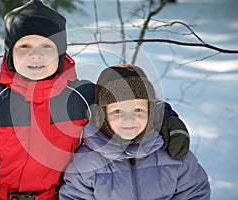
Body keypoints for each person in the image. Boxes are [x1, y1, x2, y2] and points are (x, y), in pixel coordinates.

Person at [0, 1, 189, 199]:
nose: (35, 55)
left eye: (46, 47)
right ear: (10, 54)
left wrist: (167, 119)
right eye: (24, 46)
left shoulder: (79, 97)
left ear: (61, 53)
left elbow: (129, 99)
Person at [59, 64, 210, 200]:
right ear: (102, 117)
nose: (129, 119)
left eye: (138, 110)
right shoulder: (85, 164)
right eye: (117, 111)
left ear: (151, 113)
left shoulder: (172, 153)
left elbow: (195, 192)